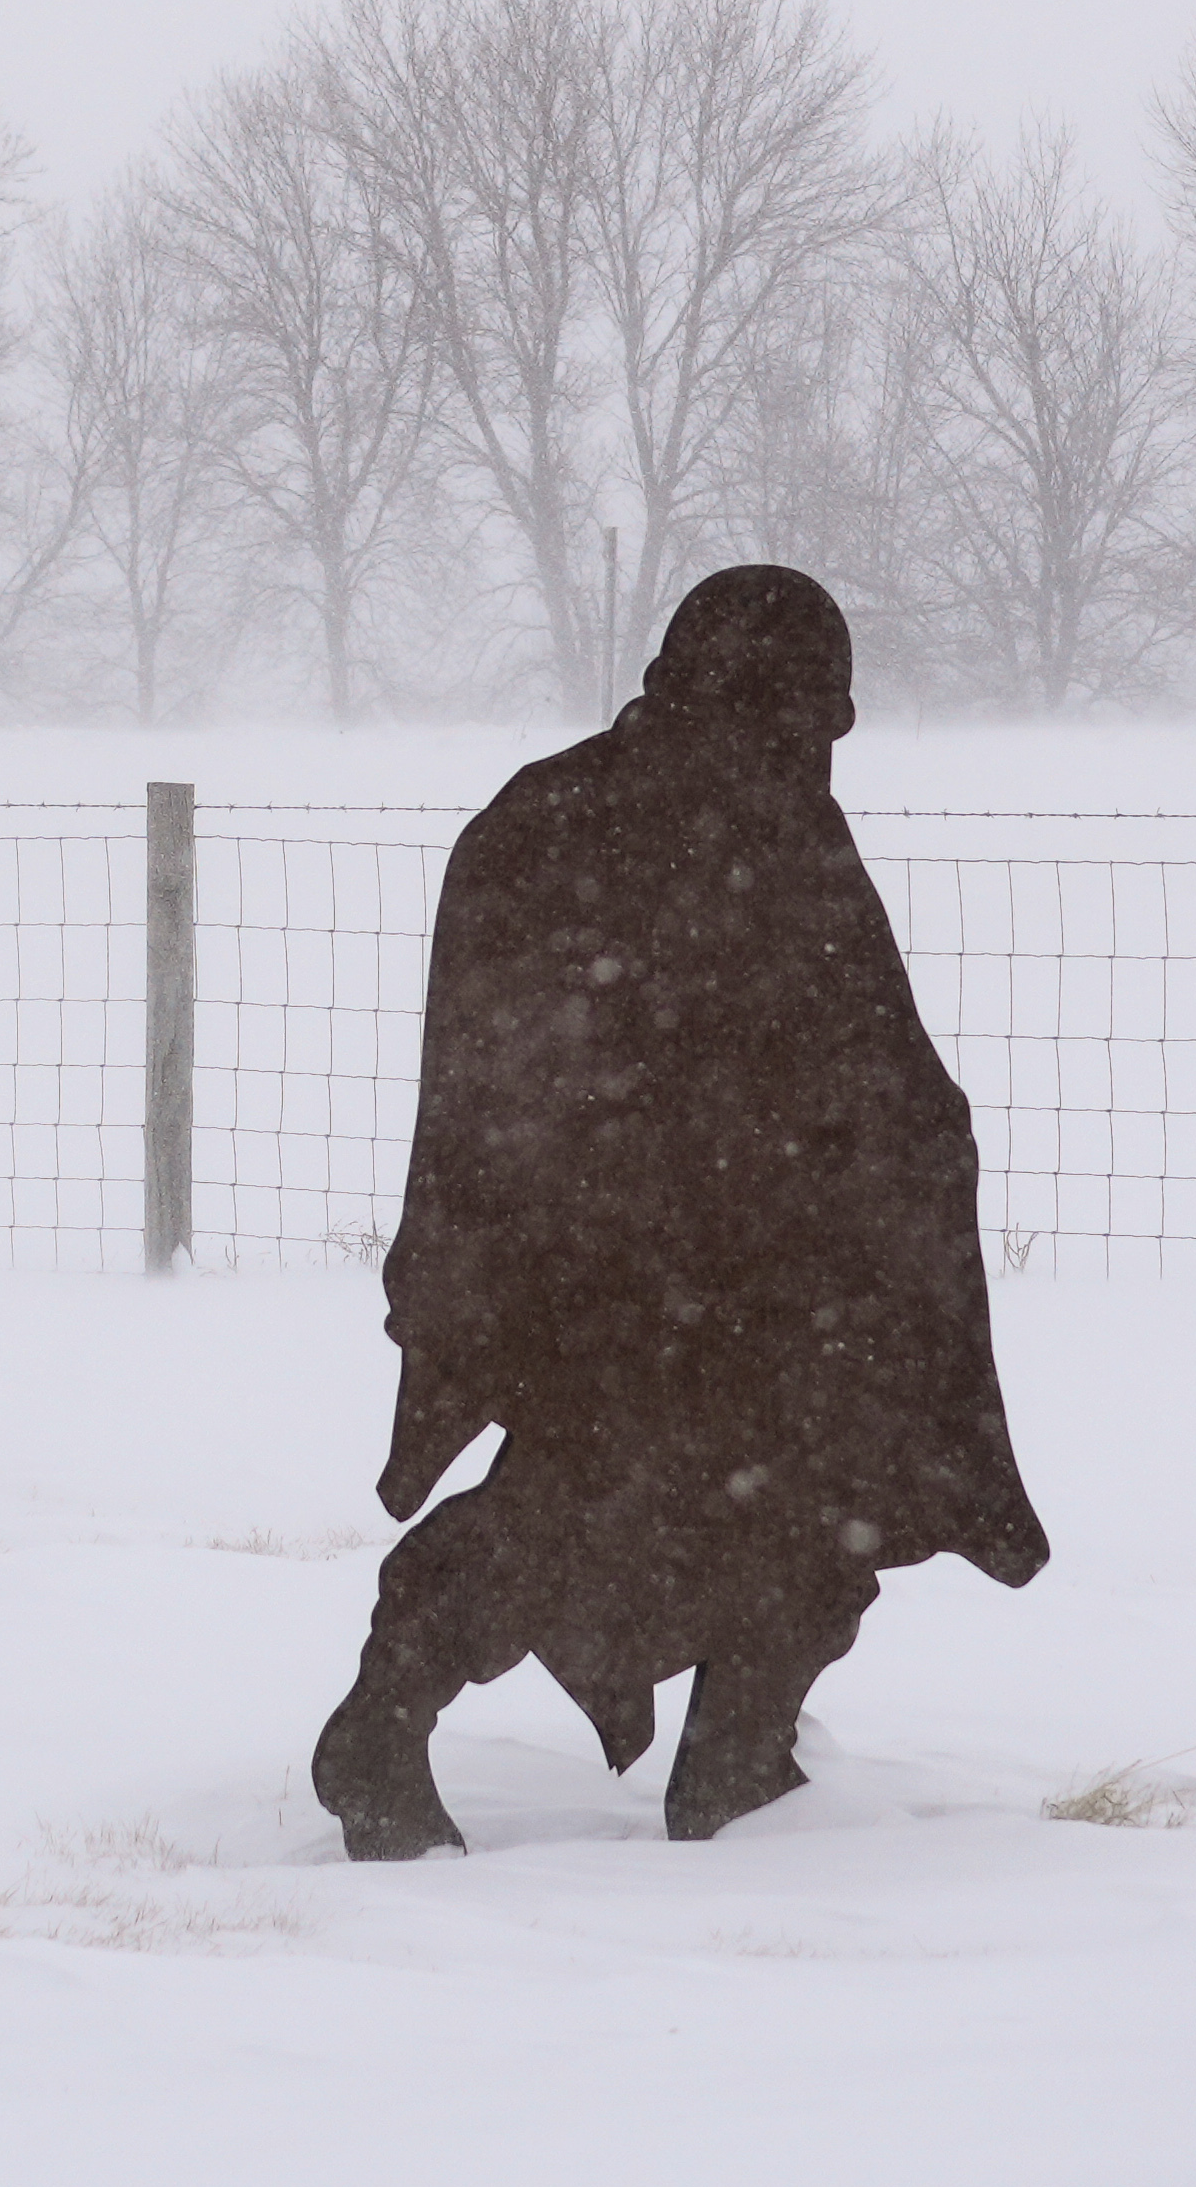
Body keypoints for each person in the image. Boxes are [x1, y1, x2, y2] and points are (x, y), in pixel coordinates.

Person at [305, 565, 1050, 1859]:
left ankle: (443, 1711)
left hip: (576, 1272)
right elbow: (868, 1076)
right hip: (726, 1282)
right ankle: (697, 1756)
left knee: (597, 1500)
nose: (829, 744)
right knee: (808, 1509)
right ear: (794, 699)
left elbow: (493, 1069)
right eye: (822, 712)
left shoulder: (541, 811)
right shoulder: (766, 829)